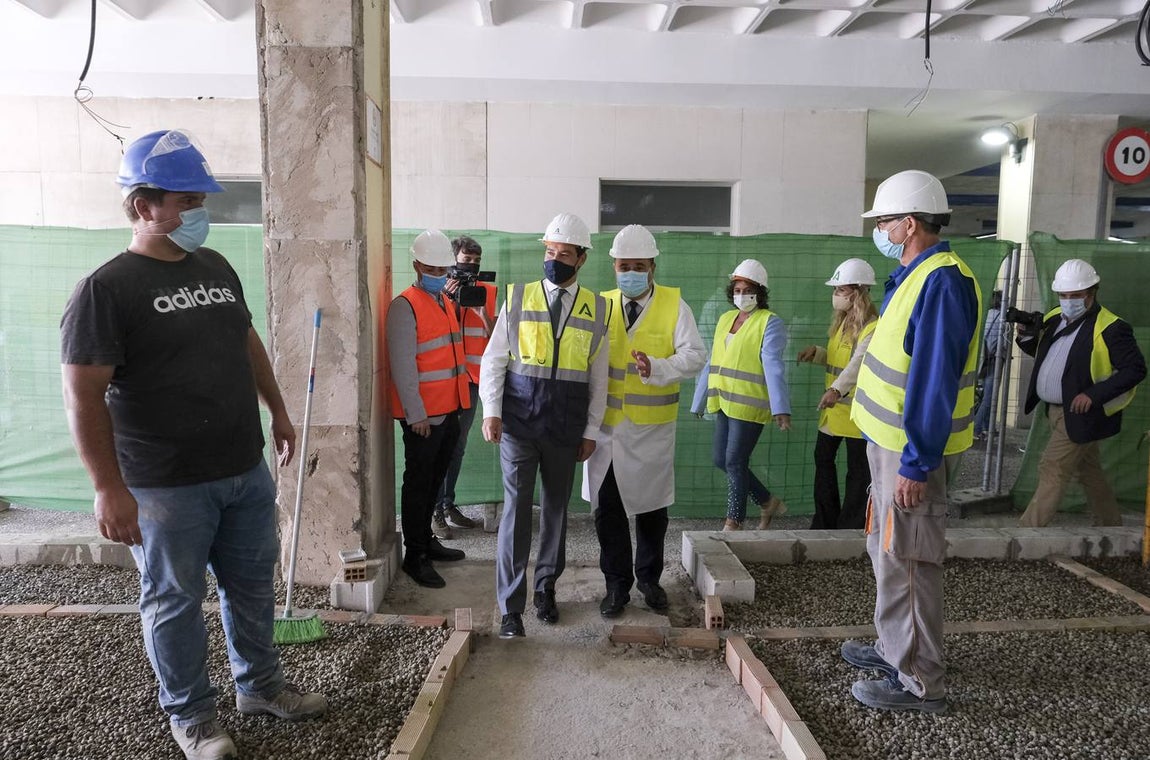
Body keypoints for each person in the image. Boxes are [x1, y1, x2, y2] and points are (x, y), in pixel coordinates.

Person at [59, 129, 326, 760]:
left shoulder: (215, 267)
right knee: (175, 600)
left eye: (199, 199)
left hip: (242, 467)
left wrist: (279, 412)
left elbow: (246, 342)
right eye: (185, 201)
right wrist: (107, 487)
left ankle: (259, 688)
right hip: (164, 484)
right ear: (142, 206)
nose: (198, 212)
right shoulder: (106, 290)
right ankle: (194, 717)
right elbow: (83, 397)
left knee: (253, 584)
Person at [841, 169, 981, 715]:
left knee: (912, 559)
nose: (879, 230)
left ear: (909, 224)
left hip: (910, 453)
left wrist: (917, 465)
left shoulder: (943, 281)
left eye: (883, 221)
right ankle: (894, 648)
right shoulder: (915, 275)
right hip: (890, 447)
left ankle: (921, 679)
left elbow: (932, 382)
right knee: (889, 550)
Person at [480, 212, 609, 639]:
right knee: (516, 512)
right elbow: (495, 359)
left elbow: (599, 377)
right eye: (550, 252)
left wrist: (591, 430)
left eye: (564, 253)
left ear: (582, 259)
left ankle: (545, 590)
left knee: (556, 511)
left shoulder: (599, 308)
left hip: (565, 427)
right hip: (519, 423)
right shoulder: (517, 297)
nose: (555, 259)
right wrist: (491, 410)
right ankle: (510, 608)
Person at [583, 225, 706, 618]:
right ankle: (616, 586)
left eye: (638, 265)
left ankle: (650, 580)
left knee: (652, 510)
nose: (630, 272)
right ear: (613, 267)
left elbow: (695, 356)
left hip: (652, 429)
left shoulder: (674, 306)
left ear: (652, 266)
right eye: (623, 265)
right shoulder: (599, 305)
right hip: (605, 431)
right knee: (608, 511)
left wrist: (658, 366)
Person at [1015, 259, 1145, 527]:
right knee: (1089, 471)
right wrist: (1026, 337)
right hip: (1054, 411)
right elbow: (1046, 356)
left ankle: (1027, 532)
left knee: (1052, 467)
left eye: (1076, 295)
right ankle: (1110, 524)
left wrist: (1093, 395)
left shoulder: (1112, 327)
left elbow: (1135, 370)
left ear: (1092, 293)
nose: (1068, 300)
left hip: (1083, 412)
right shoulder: (1054, 318)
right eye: (1063, 295)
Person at [387, 229, 471, 589]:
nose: (439, 275)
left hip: (449, 410)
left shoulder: (445, 303)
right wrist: (415, 413)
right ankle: (415, 554)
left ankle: (427, 542)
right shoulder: (404, 306)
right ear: (417, 265)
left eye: (443, 269)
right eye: (432, 269)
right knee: (419, 484)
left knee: (434, 482)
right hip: (423, 419)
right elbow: (403, 365)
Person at [690, 259, 791, 531]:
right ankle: (768, 501)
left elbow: (773, 365)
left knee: (735, 460)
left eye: (747, 289)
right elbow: (713, 360)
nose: (740, 295)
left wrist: (781, 408)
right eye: (736, 289)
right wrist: (699, 399)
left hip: (750, 405)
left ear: (760, 292)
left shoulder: (770, 323)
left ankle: (734, 521)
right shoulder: (725, 319)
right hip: (722, 401)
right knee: (720, 459)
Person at [796, 258, 878, 530]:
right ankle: (825, 521)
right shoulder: (842, 323)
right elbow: (839, 359)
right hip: (834, 411)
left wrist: (835, 390)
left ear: (858, 292)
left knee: (857, 472)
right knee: (823, 461)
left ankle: (852, 524)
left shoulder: (872, 327)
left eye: (840, 290)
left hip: (856, 413)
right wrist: (818, 354)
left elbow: (857, 364)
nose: (836, 295)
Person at [432, 235, 495, 538]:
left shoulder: (486, 293)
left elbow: (498, 338)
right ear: (453, 261)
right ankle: (434, 509)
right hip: (444, 380)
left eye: (476, 262)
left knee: (457, 447)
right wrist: (446, 298)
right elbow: (435, 330)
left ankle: (447, 503)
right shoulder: (438, 293)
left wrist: (484, 315)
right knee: (441, 446)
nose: (471, 266)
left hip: (472, 382)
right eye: (466, 260)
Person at [972, 289, 1003, 441]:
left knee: (984, 394)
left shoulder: (986, 314)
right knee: (989, 397)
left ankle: (987, 428)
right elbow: (1001, 342)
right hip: (995, 359)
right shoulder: (1002, 318)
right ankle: (977, 428)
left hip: (983, 359)